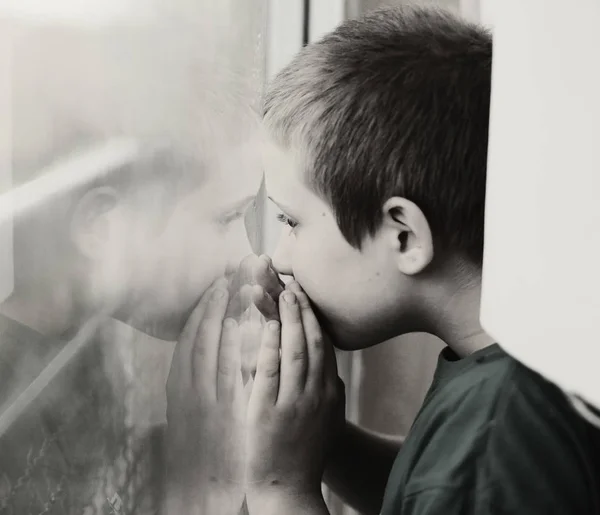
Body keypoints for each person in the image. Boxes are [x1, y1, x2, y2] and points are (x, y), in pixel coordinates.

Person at [239, 5, 600, 515]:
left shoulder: (499, 432)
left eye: (291, 222)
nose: (280, 258)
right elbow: (432, 492)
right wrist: (324, 438)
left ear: (405, 236)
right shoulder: (510, 372)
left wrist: (280, 486)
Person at [0, 24, 262, 514]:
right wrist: (199, 496)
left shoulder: (92, 337)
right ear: (106, 227)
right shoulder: (16, 395)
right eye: (226, 217)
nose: (244, 253)